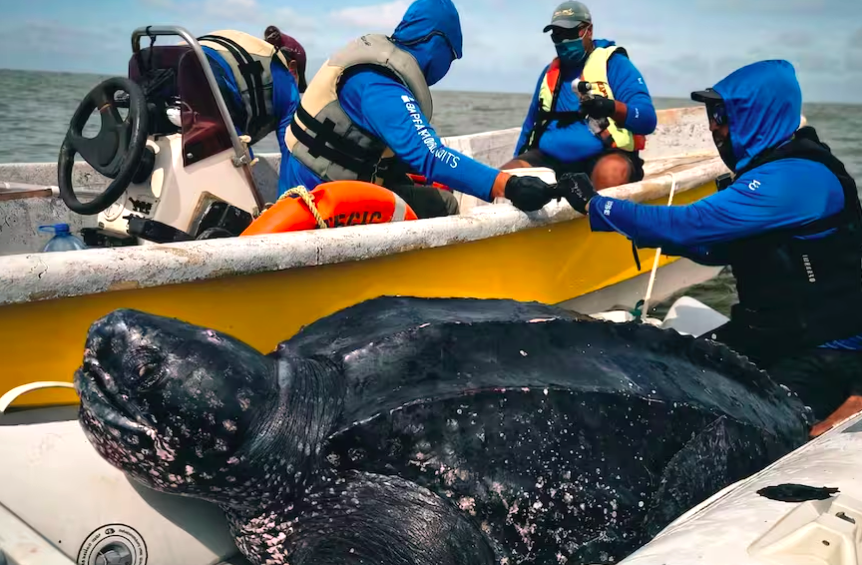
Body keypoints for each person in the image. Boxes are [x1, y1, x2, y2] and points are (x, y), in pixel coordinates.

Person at [557, 59, 862, 437]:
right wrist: (666, 242)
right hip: (768, 335)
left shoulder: (799, 177)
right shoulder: (765, 171)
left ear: (758, 116)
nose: (714, 126)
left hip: (824, 351)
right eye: (711, 115)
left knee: (720, 434)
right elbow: (720, 249)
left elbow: (692, 225)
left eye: (722, 114)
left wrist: (596, 204)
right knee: (652, 381)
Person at [282, 0, 556, 218]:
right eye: (452, 56)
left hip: (307, 182)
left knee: (434, 185)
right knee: (444, 204)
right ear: (437, 43)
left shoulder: (370, 69)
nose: (449, 65)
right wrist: (508, 185)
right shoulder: (381, 85)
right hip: (320, 202)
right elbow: (430, 155)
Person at [500, 1, 657, 190]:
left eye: (570, 33)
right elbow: (530, 126)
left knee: (611, 172)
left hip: (605, 155)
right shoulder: (549, 74)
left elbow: (647, 120)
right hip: (550, 160)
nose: (564, 41)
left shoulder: (615, 65)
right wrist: (518, 161)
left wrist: (611, 107)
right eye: (557, 35)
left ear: (588, 31)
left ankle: (602, 216)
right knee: (507, 180)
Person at [198, 28, 307, 189]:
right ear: (292, 67)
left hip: (167, 60)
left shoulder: (252, 54)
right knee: (241, 173)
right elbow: (291, 152)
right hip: (210, 76)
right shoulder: (286, 79)